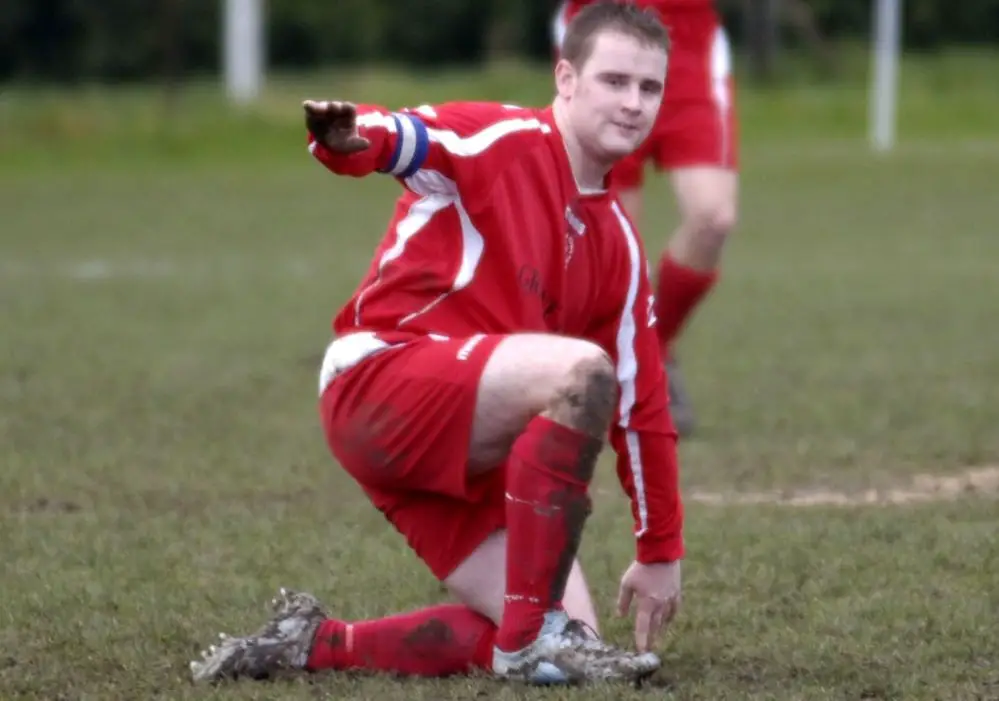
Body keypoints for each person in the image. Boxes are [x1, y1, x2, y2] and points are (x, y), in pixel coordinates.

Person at [190, 1, 683, 687]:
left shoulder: (620, 249)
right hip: (380, 381)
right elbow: (403, 137)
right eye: (614, 81)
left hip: (467, 447)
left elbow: (643, 406)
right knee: (580, 370)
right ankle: (531, 632)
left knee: (571, 639)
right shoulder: (501, 137)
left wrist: (659, 549)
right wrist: (345, 136)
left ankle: (315, 642)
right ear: (565, 79)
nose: (632, 103)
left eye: (649, 87)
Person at [553, 0, 740, 436]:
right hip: (601, 29)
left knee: (713, 216)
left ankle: (651, 354)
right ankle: (588, 377)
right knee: (608, 242)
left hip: (688, 42)